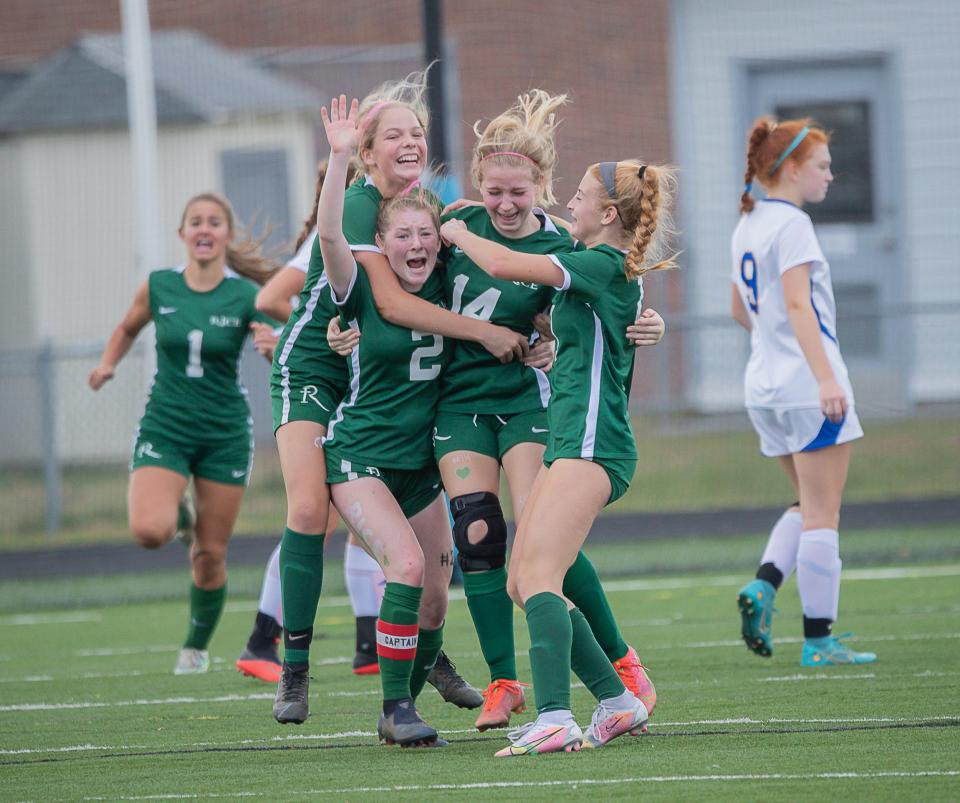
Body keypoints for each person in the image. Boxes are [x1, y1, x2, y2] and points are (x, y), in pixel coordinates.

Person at [269, 70, 520, 727]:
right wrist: (339, 154)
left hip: (384, 385)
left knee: (432, 585)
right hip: (322, 359)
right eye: (394, 135)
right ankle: (293, 667)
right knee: (305, 504)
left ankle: (421, 655)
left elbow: (516, 263)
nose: (410, 142)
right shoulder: (357, 202)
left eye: (417, 133)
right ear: (369, 151)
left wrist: (570, 323)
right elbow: (381, 299)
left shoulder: (432, 218)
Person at [433, 92, 663, 732]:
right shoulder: (593, 259)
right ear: (481, 183)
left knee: (536, 570)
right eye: (494, 190)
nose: (569, 204)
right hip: (565, 435)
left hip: (587, 441)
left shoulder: (582, 253)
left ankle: (561, 712)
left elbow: (515, 266)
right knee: (521, 575)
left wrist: (455, 230)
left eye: (578, 196)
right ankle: (614, 702)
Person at [88, 192, 278, 675]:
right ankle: (181, 512)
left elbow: (285, 339)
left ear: (226, 236)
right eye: (196, 221)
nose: (205, 229)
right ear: (183, 234)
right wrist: (108, 363)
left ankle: (194, 649)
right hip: (167, 424)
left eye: (215, 222)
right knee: (151, 531)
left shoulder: (244, 295)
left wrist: (271, 346)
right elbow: (127, 328)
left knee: (210, 555)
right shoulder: (159, 287)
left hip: (224, 431)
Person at [317, 95, 456, 746]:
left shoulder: (451, 272)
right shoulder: (364, 285)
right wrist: (340, 157)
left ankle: (408, 690)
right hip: (361, 454)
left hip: (419, 461)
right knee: (403, 564)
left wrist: (541, 334)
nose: (414, 242)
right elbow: (328, 238)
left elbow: (526, 292)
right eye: (399, 234)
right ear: (380, 241)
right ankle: (397, 705)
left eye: (423, 233)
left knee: (435, 591)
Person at [236, 161, 391, 682]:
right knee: (316, 514)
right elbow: (274, 299)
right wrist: (303, 340)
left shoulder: (391, 225)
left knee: (361, 520)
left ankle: (369, 644)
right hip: (323, 383)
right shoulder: (338, 232)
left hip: (362, 381)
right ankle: (264, 637)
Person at [732, 117, 876, 667]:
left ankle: (765, 585)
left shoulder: (748, 221)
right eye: (821, 166)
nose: (830, 175)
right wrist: (824, 377)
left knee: (807, 502)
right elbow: (796, 305)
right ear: (790, 169)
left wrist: (777, 349)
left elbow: (740, 310)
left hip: (763, 388)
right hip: (803, 387)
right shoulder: (791, 224)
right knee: (825, 512)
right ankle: (819, 639)